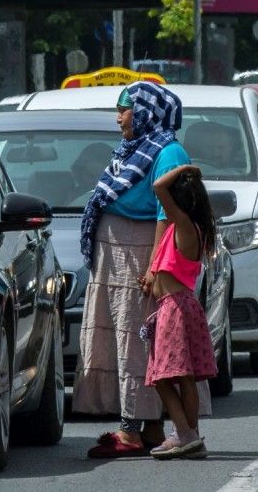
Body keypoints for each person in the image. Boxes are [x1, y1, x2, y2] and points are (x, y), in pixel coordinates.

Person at [75, 81, 195, 458]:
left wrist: (153, 266)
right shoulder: (135, 148)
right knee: (124, 340)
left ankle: (133, 430)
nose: (119, 118)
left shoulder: (168, 151)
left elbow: (168, 214)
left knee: (137, 340)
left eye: (124, 110)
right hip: (117, 255)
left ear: (146, 112)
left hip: (141, 254)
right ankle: (151, 427)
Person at [141, 164, 218, 460]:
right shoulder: (186, 227)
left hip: (175, 308)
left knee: (164, 376)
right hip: (175, 305)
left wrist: (185, 168)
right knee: (183, 375)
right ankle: (190, 435)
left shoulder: (184, 224)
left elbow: (158, 186)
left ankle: (184, 433)